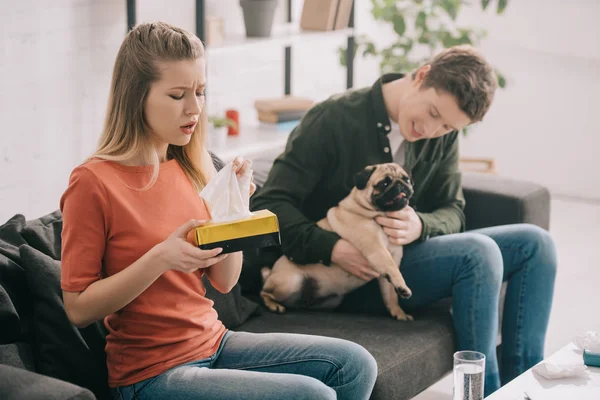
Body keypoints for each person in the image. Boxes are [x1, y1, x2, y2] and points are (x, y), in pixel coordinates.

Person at [59, 22, 377, 400]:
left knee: (355, 365)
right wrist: (160, 258)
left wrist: (234, 210)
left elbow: (224, 280)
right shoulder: (93, 182)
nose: (194, 108)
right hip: (150, 374)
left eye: (200, 91)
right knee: (313, 395)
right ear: (136, 97)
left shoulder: (192, 167)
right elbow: (78, 308)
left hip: (214, 342)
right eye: (177, 95)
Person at [250, 45, 557, 396]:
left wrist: (421, 225)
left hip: (403, 259)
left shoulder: (442, 134)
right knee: (479, 252)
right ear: (422, 75)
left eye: (447, 127)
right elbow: (269, 203)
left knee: (537, 243)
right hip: (342, 278)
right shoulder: (334, 118)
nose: (433, 131)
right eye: (433, 113)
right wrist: (331, 247)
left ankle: (524, 390)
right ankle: (483, 393)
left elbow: (452, 210)